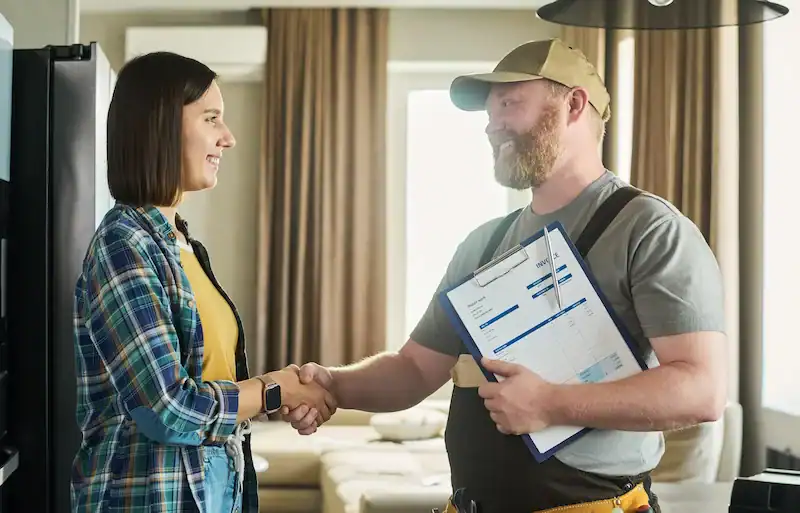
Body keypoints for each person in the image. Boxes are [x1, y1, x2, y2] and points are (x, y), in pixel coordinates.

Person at [283, 38, 728, 513]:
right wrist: (332, 383)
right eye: (489, 114)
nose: (492, 127)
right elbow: (414, 369)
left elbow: (703, 390)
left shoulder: (649, 229)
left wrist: (552, 404)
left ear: (573, 104)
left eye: (510, 105)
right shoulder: (483, 244)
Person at [71, 51, 335, 513]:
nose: (228, 138)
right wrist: (276, 389)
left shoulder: (186, 246)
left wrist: (280, 392)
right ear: (159, 126)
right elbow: (167, 410)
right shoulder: (124, 245)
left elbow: (211, 389)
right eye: (212, 118)